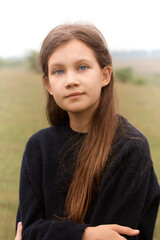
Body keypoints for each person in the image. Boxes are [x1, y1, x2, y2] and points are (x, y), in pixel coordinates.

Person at [15, 23, 160, 240]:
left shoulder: (130, 147)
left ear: (105, 75)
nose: (71, 80)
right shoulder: (38, 147)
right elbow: (27, 231)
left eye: (82, 67)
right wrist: (86, 234)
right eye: (58, 71)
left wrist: (45, 233)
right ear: (49, 85)